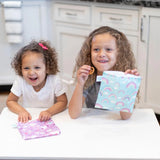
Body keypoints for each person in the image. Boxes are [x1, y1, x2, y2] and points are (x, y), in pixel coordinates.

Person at [68, 26, 140, 120]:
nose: (101, 54)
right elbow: (73, 114)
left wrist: (128, 86)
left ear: (119, 53)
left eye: (108, 49)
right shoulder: (89, 77)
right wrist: (80, 83)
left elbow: (125, 117)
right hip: (93, 122)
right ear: (89, 53)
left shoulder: (122, 78)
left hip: (115, 123)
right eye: (96, 49)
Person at [6, 40, 68, 122]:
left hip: (51, 117)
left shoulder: (54, 80)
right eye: (26, 68)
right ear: (20, 68)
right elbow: (10, 101)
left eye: (37, 68)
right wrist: (21, 111)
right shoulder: (20, 80)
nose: (31, 72)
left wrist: (49, 112)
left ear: (47, 67)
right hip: (29, 117)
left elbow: (63, 101)